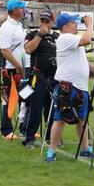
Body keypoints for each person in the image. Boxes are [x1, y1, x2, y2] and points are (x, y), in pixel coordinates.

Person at [45, 13, 94, 162]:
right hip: (68, 87)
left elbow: (83, 61)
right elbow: (87, 39)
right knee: (60, 119)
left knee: (82, 119)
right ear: (65, 26)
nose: (76, 25)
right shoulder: (65, 38)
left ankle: (85, 149)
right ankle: (51, 150)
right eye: (73, 23)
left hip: (80, 86)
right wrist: (89, 24)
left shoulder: (73, 41)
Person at [22, 10, 59, 148]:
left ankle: (51, 137)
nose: (44, 23)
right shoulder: (32, 34)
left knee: (53, 109)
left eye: (47, 21)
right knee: (35, 108)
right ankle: (29, 137)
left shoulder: (57, 36)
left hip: (54, 78)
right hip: (38, 78)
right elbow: (28, 50)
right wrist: (39, 35)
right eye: (42, 20)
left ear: (52, 21)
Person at [0, 0, 31, 139]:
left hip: (23, 67)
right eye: (21, 8)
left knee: (25, 97)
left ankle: (24, 127)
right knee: (9, 98)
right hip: (12, 68)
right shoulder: (6, 27)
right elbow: (5, 50)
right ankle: (6, 130)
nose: (24, 10)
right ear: (14, 11)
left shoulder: (18, 25)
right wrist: (18, 66)